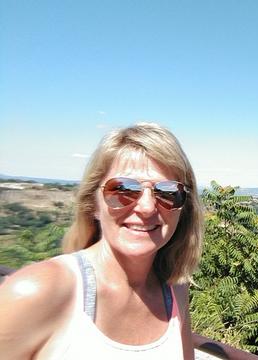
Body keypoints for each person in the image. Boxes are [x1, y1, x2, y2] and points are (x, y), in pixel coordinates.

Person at [0, 123, 203, 359]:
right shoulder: (37, 292)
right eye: (123, 189)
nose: (147, 207)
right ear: (93, 204)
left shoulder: (175, 290)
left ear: (183, 208)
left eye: (168, 192)